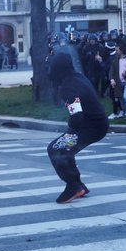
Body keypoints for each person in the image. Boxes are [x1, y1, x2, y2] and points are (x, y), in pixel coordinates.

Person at [46, 52, 109, 204]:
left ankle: (73, 185)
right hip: (98, 124)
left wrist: (70, 131)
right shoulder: (78, 77)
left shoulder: (67, 86)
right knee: (65, 148)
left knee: (55, 149)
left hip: (90, 127)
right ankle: (78, 184)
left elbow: (77, 117)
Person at [108, 41, 126, 121]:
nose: (116, 51)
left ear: (121, 50)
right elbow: (111, 71)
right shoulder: (116, 60)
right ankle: (124, 112)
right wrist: (112, 79)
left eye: (117, 50)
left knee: (125, 97)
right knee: (120, 98)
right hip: (118, 83)